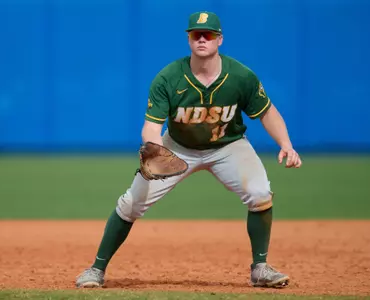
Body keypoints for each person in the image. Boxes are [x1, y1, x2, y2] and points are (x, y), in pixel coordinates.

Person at [76, 11, 302, 289]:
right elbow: (150, 127)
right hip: (178, 147)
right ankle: (96, 269)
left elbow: (267, 112)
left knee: (260, 193)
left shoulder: (241, 76)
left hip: (228, 146)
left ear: (220, 39)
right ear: (188, 39)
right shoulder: (169, 78)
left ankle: (261, 268)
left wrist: (286, 144)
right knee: (131, 203)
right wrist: (156, 151)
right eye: (196, 34)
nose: (202, 38)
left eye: (208, 34)